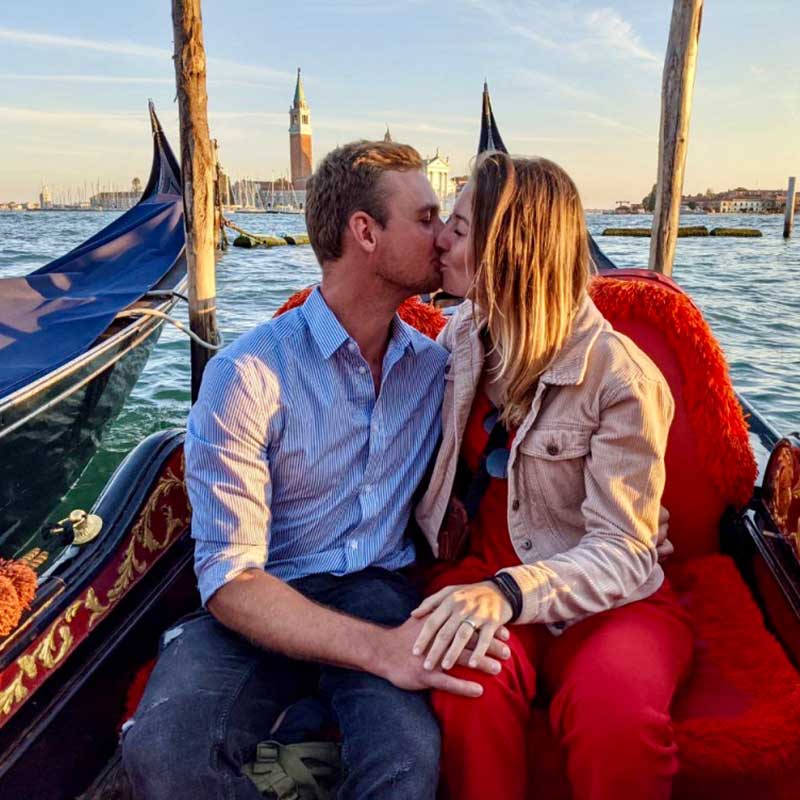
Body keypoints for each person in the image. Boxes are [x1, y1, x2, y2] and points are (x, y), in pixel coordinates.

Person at [121, 140, 510, 800]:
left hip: (378, 588)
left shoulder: (440, 368)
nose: (444, 234)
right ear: (366, 232)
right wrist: (381, 651)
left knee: (406, 762)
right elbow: (230, 578)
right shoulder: (246, 375)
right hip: (262, 597)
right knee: (163, 752)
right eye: (425, 218)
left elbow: (540, 366)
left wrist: (619, 504)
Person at [411, 153, 693, 800]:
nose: (441, 239)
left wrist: (508, 592)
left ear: (510, 249)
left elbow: (626, 551)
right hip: (479, 577)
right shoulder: (461, 339)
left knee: (616, 721)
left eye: (459, 227)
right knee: (467, 689)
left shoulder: (621, 378)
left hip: (609, 601)